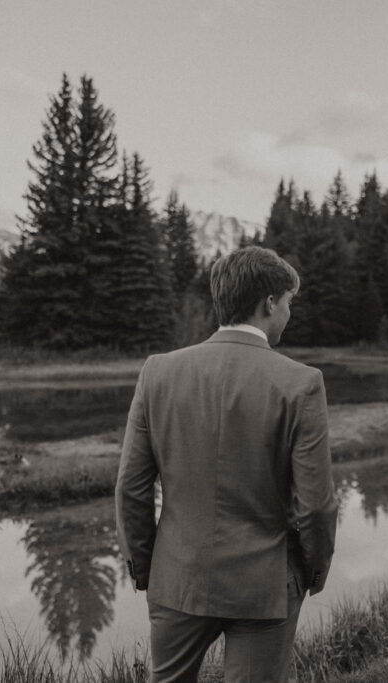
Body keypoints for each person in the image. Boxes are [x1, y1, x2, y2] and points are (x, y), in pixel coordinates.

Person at [115, 246, 338, 682]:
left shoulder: (157, 372)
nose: (289, 313)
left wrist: (147, 567)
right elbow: (315, 503)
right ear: (269, 303)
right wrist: (312, 571)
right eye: (289, 302)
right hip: (265, 583)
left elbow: (131, 488)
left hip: (177, 577)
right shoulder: (301, 382)